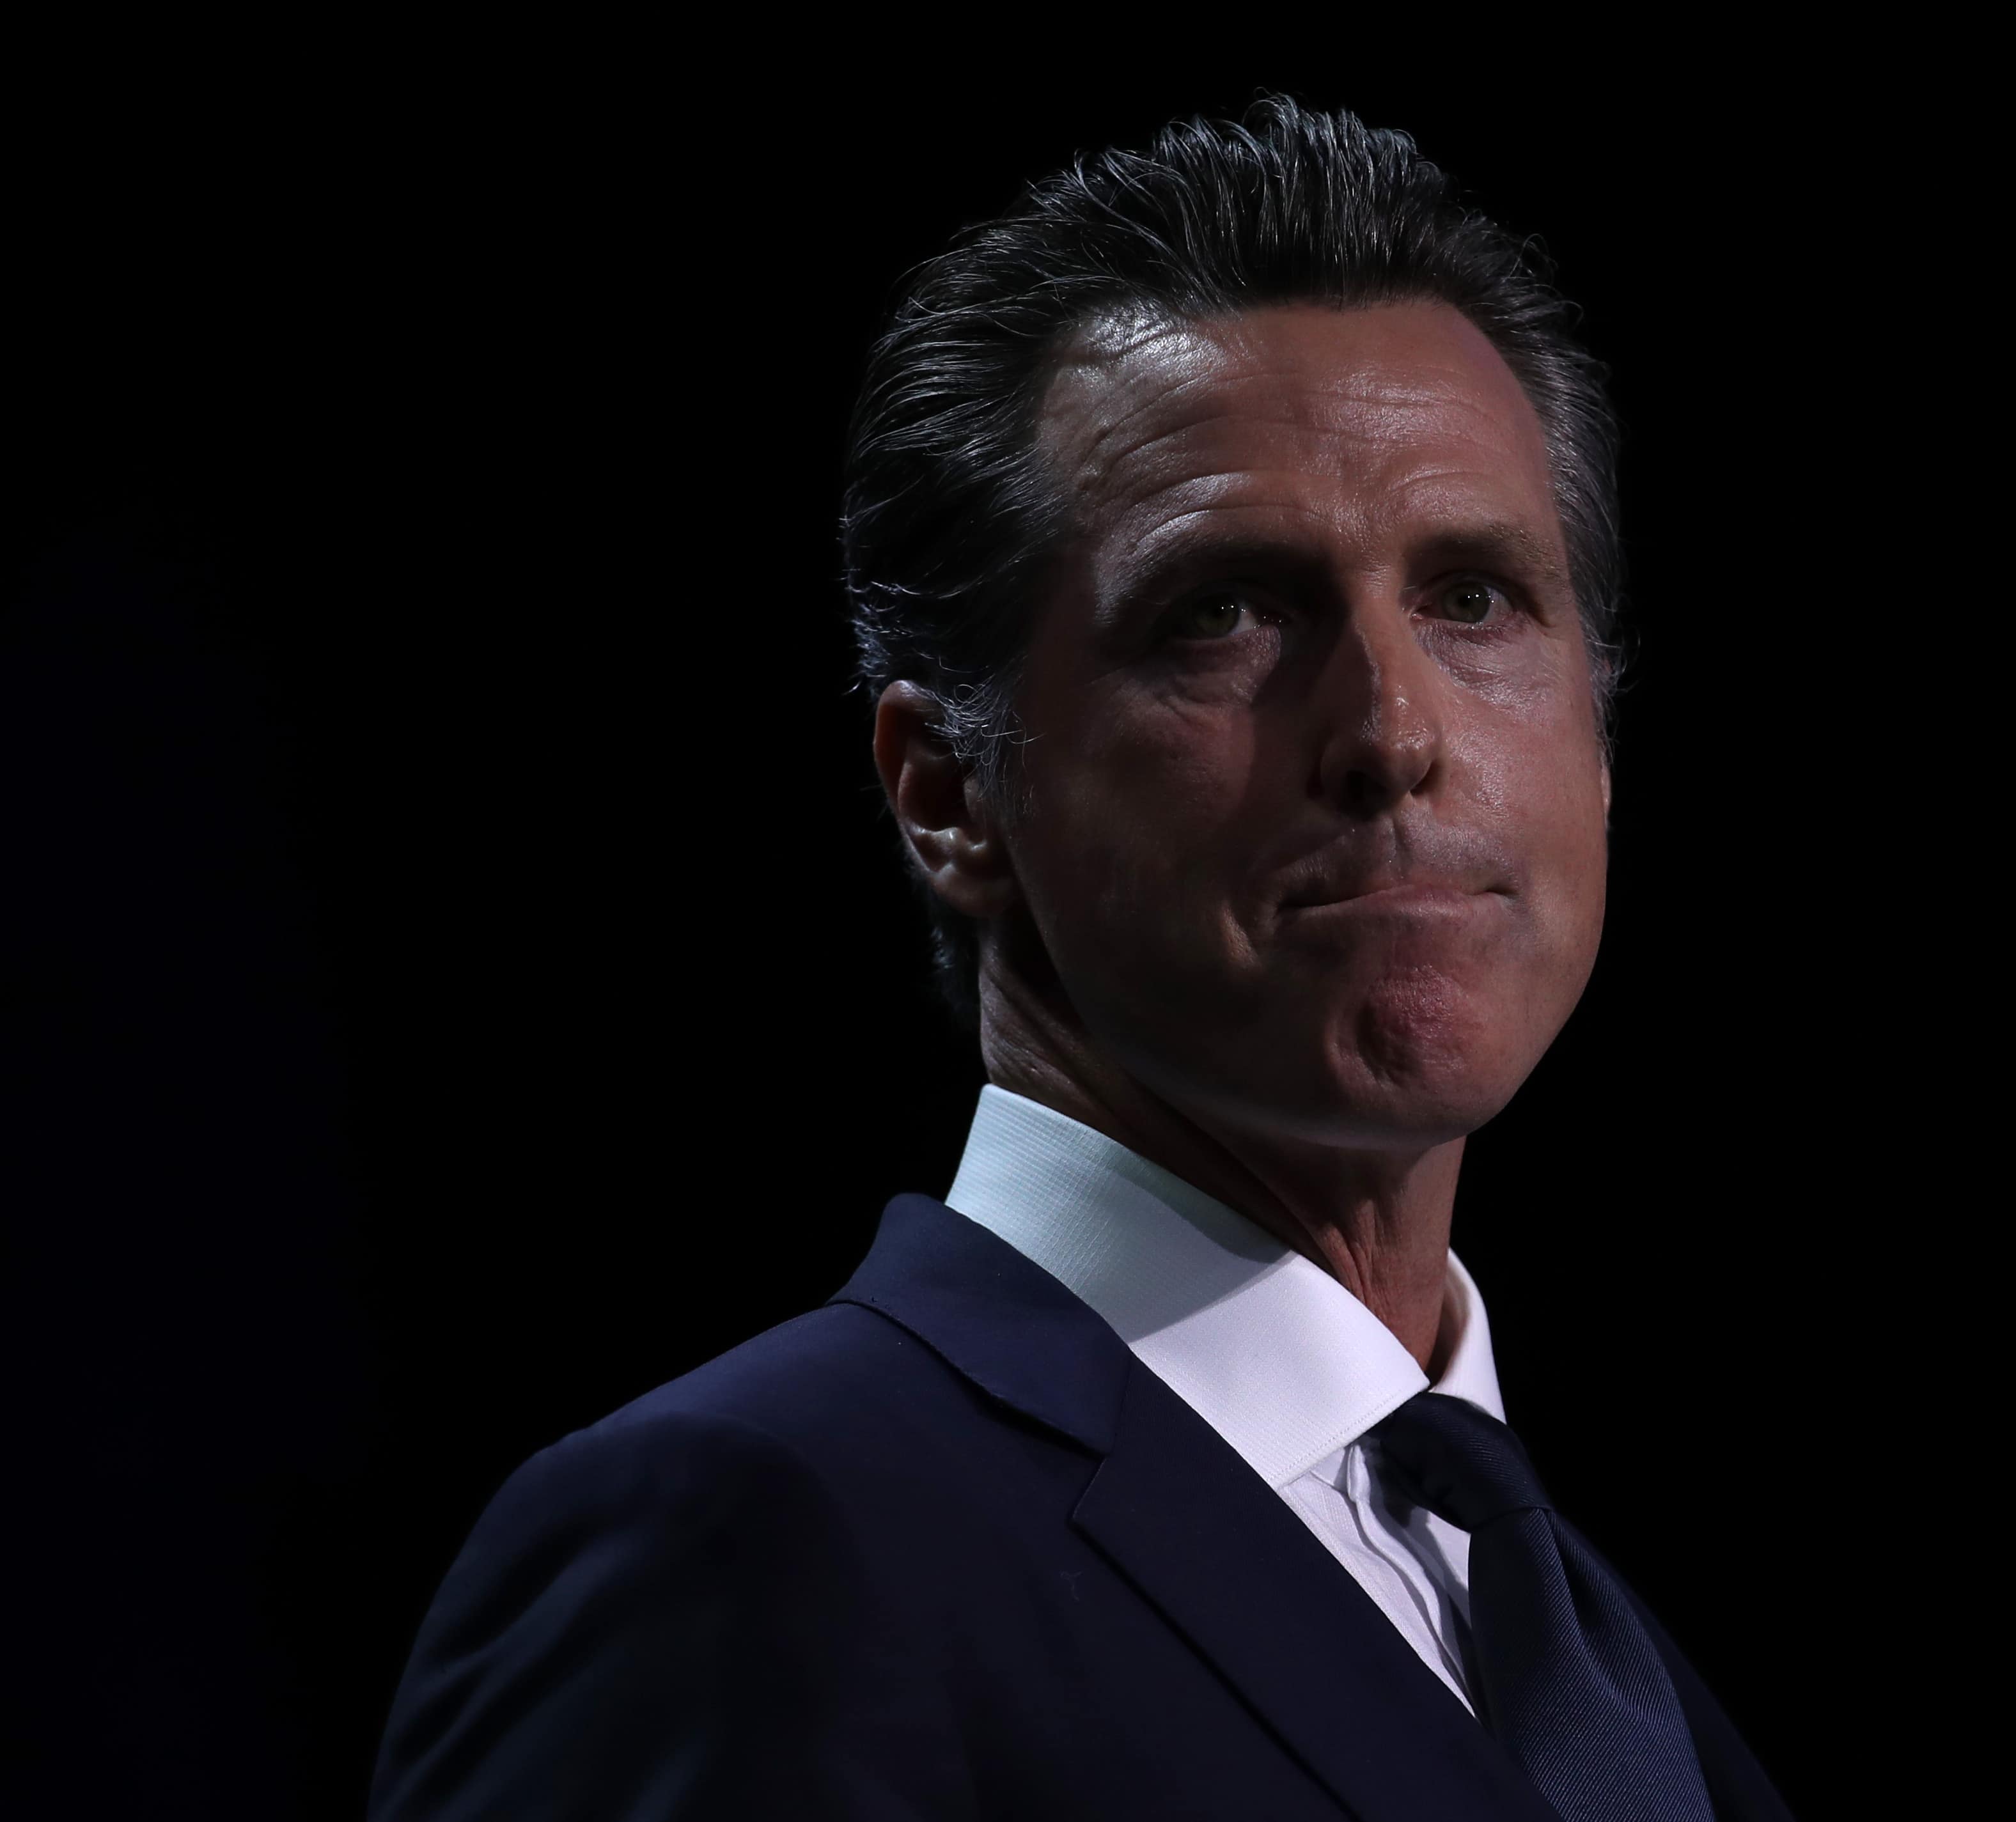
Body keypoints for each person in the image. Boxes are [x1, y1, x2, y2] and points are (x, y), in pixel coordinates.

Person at [369, 98, 1791, 1822]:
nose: (1394, 732)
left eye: (1474, 598)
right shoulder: (747, 1542)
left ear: (1602, 745)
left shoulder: (1581, 1639)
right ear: (949, 792)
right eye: (1227, 609)